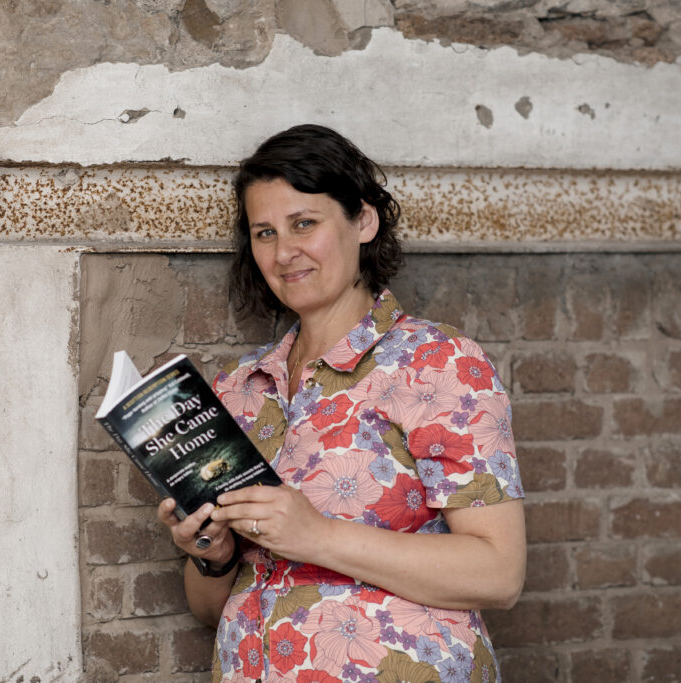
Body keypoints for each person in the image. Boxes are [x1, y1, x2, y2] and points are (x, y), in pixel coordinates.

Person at [156, 124, 526, 682]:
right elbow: (212, 608)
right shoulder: (239, 389)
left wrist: (319, 537)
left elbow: (499, 573)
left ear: (364, 221)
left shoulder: (439, 362)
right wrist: (211, 552)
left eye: (304, 223)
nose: (284, 253)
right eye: (264, 233)